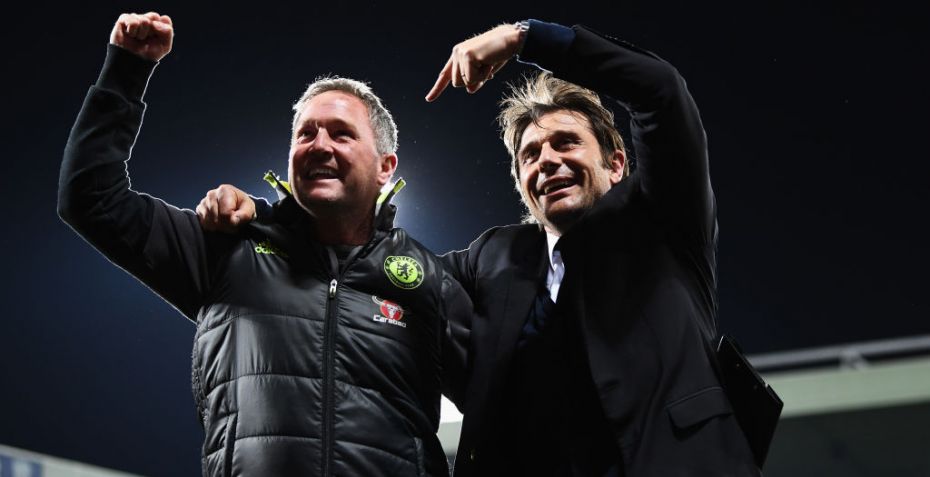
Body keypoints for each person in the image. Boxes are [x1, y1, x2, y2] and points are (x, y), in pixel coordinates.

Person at [201, 19, 768, 476]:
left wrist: (524, 38)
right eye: (530, 155)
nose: (548, 161)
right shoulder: (493, 259)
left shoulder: (662, 224)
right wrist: (269, 218)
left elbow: (661, 90)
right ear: (520, 182)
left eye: (567, 143)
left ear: (616, 163)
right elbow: (363, 264)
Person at [58, 12, 470, 477]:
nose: (319, 145)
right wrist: (127, 70)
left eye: (341, 134)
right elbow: (91, 200)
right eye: (305, 133)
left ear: (385, 167)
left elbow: (504, 402)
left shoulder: (429, 281)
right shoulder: (227, 246)